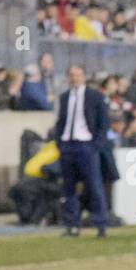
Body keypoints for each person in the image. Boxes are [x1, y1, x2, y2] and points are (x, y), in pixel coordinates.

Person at [55, 65, 111, 237]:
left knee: (94, 185)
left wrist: (96, 145)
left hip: (86, 145)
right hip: (67, 145)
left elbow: (103, 122)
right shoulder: (64, 97)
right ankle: (72, 225)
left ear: (84, 76)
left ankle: (100, 224)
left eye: (78, 75)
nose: (75, 78)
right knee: (68, 188)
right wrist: (59, 142)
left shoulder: (94, 96)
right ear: (68, 77)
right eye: (72, 75)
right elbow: (61, 121)